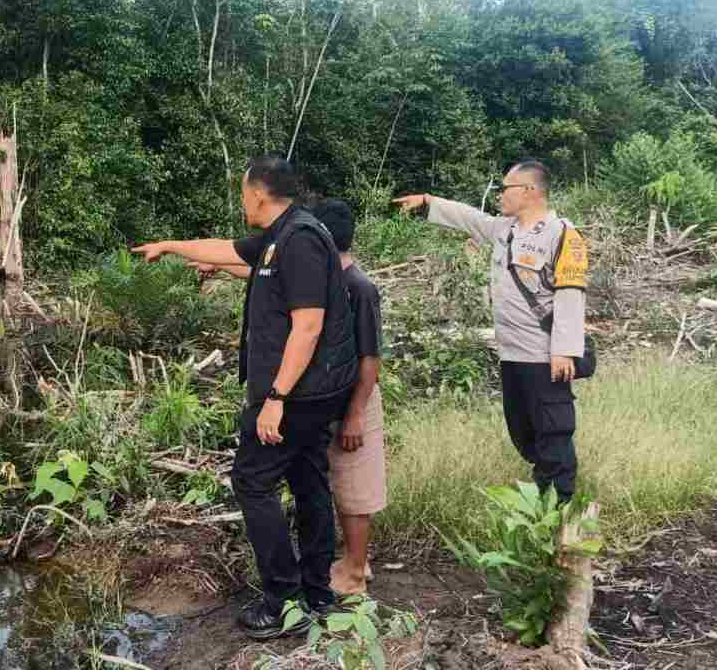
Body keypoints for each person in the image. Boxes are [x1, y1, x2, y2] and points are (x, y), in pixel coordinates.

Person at [133, 154, 357, 640]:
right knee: (308, 479)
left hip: (296, 394)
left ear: (258, 192)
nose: (241, 201)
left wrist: (275, 397)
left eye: (242, 191)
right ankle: (317, 592)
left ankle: (282, 598)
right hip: (310, 392)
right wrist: (170, 247)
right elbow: (228, 250)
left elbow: (309, 324)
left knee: (253, 482)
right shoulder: (284, 235)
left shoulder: (297, 241)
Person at [195, 199, 386, 599]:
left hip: (349, 397)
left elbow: (370, 360)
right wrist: (210, 263)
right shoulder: (316, 271)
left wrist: (353, 415)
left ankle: (353, 567)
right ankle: (320, 576)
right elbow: (257, 269)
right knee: (315, 479)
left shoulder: (359, 288)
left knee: (353, 485)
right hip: (316, 395)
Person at [393, 159, 588, 503]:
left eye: (504, 188)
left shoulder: (562, 235)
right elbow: (470, 218)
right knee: (523, 432)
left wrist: (564, 351)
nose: (499, 195)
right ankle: (542, 496)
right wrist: (429, 202)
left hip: (545, 357)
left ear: (529, 191)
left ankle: (560, 511)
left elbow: (570, 296)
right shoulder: (505, 230)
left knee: (553, 432)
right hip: (511, 354)